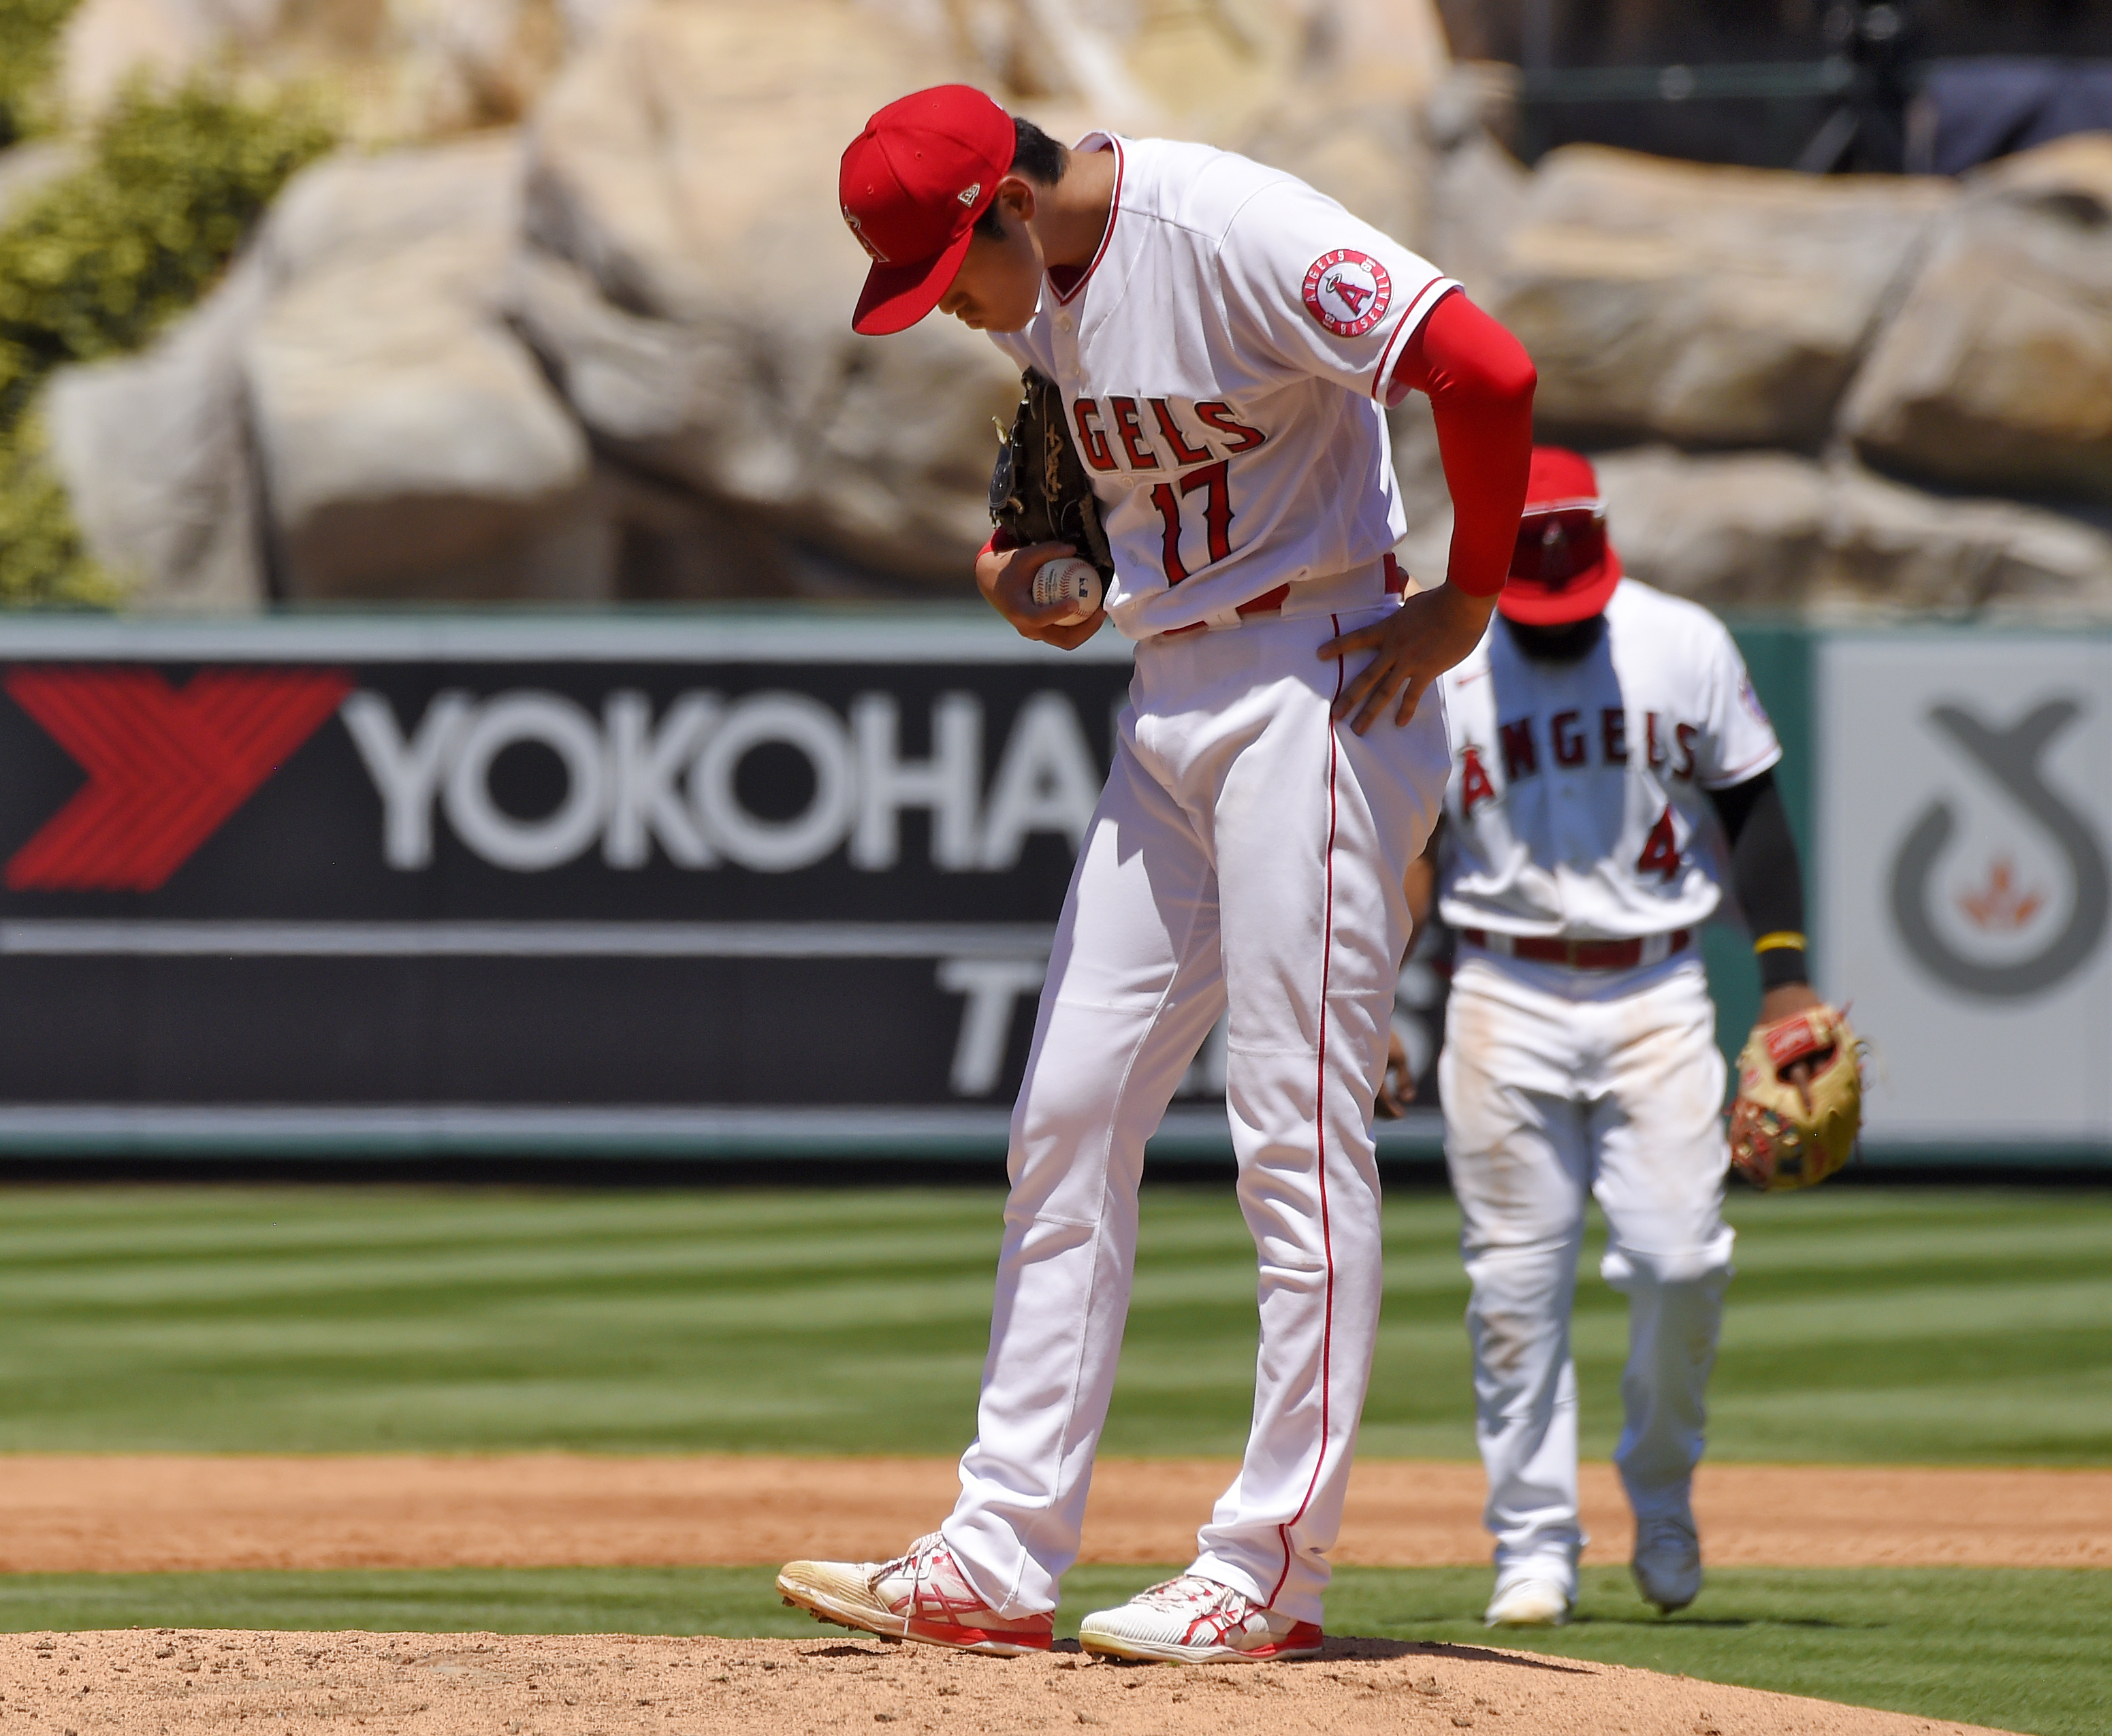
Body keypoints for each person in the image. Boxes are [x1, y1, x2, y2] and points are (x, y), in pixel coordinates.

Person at [776, 84, 1535, 1663]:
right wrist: (1031, 574)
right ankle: (995, 1554)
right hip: (1168, 697)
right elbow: (1048, 519)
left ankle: (1270, 1568)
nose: (947, 310)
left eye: (946, 271)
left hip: (1320, 681)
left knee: (1290, 1140)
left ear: (1001, 199)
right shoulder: (1039, 302)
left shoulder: (1227, 228)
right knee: (1064, 1114)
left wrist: (1466, 597)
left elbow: (1483, 365)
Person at [1398, 446, 1825, 1627]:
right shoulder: (1446, 652)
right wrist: (1378, 995)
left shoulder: (1681, 641)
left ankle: (1663, 1489)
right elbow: (1409, 850)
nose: (1550, 620)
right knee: (1514, 1288)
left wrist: (1785, 983)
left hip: (1657, 990)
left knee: (1683, 1260)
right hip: (1502, 990)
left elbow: (1753, 813)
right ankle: (1532, 1544)